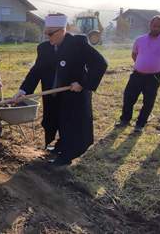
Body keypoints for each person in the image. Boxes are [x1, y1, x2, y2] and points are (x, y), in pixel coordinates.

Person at [12, 14, 108, 166]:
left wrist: (83, 83)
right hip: (53, 95)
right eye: (46, 33)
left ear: (62, 30)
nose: (48, 37)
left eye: (51, 33)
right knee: (53, 120)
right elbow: (36, 71)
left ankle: (66, 156)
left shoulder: (78, 44)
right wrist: (23, 90)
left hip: (73, 94)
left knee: (70, 124)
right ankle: (59, 146)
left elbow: (100, 63)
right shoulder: (44, 48)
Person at [116, 16, 160, 132]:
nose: (156, 28)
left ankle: (140, 124)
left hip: (154, 77)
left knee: (148, 101)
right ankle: (124, 120)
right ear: (150, 24)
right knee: (129, 98)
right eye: (155, 26)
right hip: (137, 75)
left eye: (159, 26)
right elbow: (134, 54)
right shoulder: (140, 40)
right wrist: (141, 64)